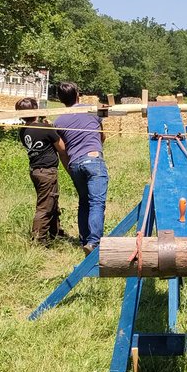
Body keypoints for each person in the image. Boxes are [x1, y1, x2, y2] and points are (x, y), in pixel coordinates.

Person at [53, 82, 107, 254]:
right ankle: (94, 243)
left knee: (84, 202)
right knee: (96, 202)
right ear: (78, 95)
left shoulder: (59, 120)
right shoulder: (91, 110)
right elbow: (102, 136)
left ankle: (84, 240)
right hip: (93, 160)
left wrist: (70, 169)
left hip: (75, 164)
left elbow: (62, 151)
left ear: (61, 99)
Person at [16, 97, 68, 242]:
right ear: (35, 110)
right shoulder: (44, 128)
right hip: (47, 172)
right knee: (45, 207)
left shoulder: (23, 130)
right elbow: (62, 148)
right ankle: (39, 239)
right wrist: (51, 128)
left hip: (35, 171)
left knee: (52, 202)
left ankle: (55, 232)